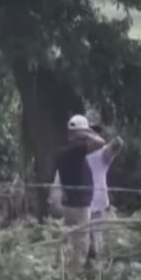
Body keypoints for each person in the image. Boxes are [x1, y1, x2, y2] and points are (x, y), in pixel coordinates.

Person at [56, 114, 105, 271]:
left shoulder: (64, 150)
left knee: (67, 240)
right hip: (79, 205)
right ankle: (74, 277)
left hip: (69, 203)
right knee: (80, 244)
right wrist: (87, 133)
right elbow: (100, 143)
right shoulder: (76, 150)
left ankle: (61, 271)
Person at [86, 130, 124, 259]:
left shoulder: (101, 156)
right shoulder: (78, 157)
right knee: (82, 238)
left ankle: (97, 266)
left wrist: (114, 142)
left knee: (96, 238)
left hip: (96, 203)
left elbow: (115, 146)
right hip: (81, 203)